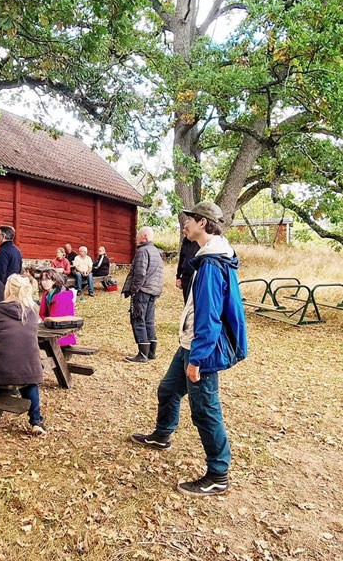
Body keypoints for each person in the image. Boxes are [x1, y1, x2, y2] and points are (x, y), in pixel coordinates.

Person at [131, 201, 248, 496]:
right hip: (189, 344)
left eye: (190, 219)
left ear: (204, 224)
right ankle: (162, 435)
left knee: (205, 410)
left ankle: (218, 475)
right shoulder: (207, 255)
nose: (185, 224)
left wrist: (197, 358)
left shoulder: (211, 263)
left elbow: (209, 316)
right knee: (168, 390)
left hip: (201, 349)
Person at [0, 274, 45, 435]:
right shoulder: (32, 312)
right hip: (29, 369)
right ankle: (36, 420)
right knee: (29, 380)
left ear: (7, 290)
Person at [121, 227, 164, 362]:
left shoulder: (142, 251)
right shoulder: (156, 251)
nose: (136, 238)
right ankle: (151, 352)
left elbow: (140, 273)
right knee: (149, 320)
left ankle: (142, 355)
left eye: (138, 235)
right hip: (153, 290)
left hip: (143, 290)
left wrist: (133, 290)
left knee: (138, 319)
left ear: (144, 237)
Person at [38, 268, 77, 346]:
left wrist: (44, 321)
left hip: (62, 334)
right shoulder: (46, 294)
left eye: (47, 279)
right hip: (51, 328)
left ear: (54, 281)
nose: (44, 282)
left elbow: (56, 319)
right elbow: (42, 313)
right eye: (43, 280)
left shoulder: (61, 296)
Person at [176, 228, 200, 303]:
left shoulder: (200, 241)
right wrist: (178, 276)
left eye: (186, 229)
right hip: (186, 277)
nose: (183, 231)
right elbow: (181, 259)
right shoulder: (185, 241)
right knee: (187, 302)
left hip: (196, 276)